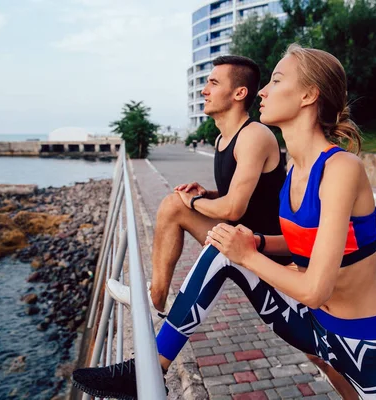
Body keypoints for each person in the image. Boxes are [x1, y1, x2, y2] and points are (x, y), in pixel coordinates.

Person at [73, 46, 376, 399]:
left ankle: (154, 329)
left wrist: (249, 254)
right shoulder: (297, 171)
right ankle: (149, 367)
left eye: (276, 81)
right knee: (224, 245)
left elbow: (316, 289)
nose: (263, 92)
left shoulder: (341, 169)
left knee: (231, 246)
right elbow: (301, 243)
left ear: (308, 95)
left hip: (367, 346)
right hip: (313, 326)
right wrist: (256, 242)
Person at [105, 55, 290, 325]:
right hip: (237, 235)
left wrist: (192, 202)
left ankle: (154, 301)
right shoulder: (221, 138)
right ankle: (154, 299)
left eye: (213, 83)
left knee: (313, 347)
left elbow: (233, 208)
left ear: (239, 93)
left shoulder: (254, 135)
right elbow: (246, 194)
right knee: (173, 205)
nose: (204, 91)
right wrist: (209, 194)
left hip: (266, 248)